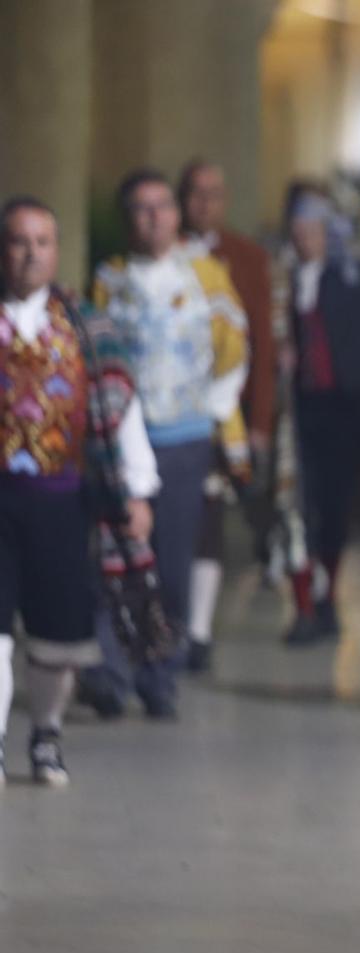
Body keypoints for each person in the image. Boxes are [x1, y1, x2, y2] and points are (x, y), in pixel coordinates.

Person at [77, 168, 248, 722]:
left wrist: (218, 415)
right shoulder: (110, 280)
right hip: (123, 439)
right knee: (115, 554)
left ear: (176, 215)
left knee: (170, 562)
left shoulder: (207, 276)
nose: (153, 218)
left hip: (183, 438)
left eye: (162, 207)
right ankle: (109, 671)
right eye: (140, 209)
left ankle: (159, 673)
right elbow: (94, 353)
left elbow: (233, 349)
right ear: (129, 220)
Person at [0, 196, 158, 785]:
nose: (29, 254)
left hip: (61, 502)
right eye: (18, 241)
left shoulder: (89, 329)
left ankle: (46, 733)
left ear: (57, 251)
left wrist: (137, 490)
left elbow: (121, 412)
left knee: (56, 636)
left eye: (42, 242)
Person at [282, 190, 360, 645]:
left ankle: (326, 595)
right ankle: (303, 603)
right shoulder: (285, 283)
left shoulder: (354, 281)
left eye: (312, 232)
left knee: (334, 509)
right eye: (298, 233)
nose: (304, 241)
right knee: (297, 510)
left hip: (343, 408)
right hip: (298, 410)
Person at [179, 159, 283, 654]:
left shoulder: (246, 256)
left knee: (209, 511)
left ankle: (197, 629)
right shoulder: (164, 254)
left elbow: (263, 344)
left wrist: (259, 421)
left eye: (213, 193)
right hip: (171, 408)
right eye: (196, 193)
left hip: (225, 413)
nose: (204, 203)